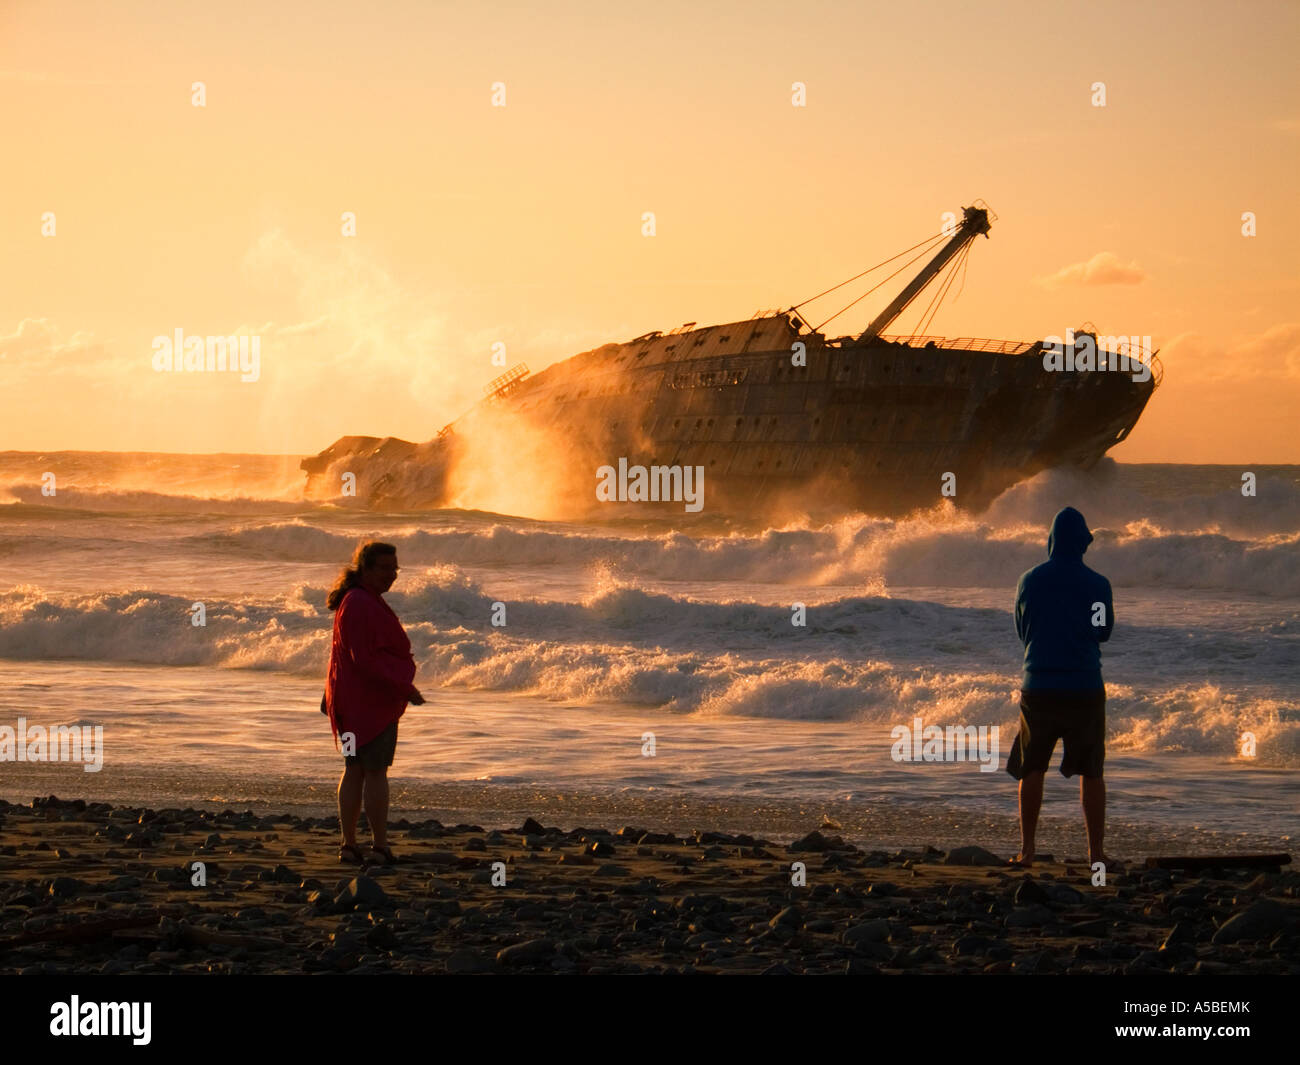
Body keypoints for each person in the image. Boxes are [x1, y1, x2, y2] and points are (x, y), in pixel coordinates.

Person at [1006, 507, 1113, 869]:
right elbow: (1103, 631)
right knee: (1092, 771)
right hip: (1084, 687)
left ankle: (1028, 850)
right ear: (1082, 543)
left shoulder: (1028, 581)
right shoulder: (1098, 585)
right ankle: (1095, 854)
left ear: (1051, 541)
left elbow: (1023, 629)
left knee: (1032, 767)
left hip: (1039, 686)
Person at [324, 541, 424, 866]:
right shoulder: (361, 603)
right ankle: (378, 846)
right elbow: (363, 660)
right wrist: (403, 687)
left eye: (395, 569)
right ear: (365, 568)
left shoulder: (356, 600)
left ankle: (349, 845)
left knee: (354, 770)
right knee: (374, 772)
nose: (391, 575)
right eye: (384, 568)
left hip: (351, 701)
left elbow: (342, 655)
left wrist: (328, 694)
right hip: (370, 705)